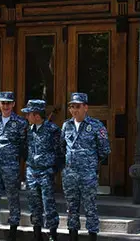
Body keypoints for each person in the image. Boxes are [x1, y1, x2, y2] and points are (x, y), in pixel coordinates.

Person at [60, 93, 111, 241]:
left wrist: (89, 164)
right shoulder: (66, 125)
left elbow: (104, 150)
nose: (74, 110)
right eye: (72, 107)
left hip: (87, 175)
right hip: (70, 175)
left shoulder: (96, 126)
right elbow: (62, 148)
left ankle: (92, 237)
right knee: (71, 209)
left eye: (77, 106)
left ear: (85, 107)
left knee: (90, 208)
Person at [0, 91, 27, 241]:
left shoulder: (20, 122)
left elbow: (23, 145)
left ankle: (12, 233)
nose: (5, 106)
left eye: (8, 103)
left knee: (13, 199)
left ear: (13, 104)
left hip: (11, 167)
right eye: (3, 103)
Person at [21, 99, 61, 241]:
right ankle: (37, 234)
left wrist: (52, 169)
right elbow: (26, 149)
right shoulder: (29, 130)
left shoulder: (53, 130)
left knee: (48, 204)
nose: (26, 117)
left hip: (46, 172)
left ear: (37, 115)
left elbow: (60, 152)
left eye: (29, 114)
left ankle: (52, 235)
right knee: (34, 204)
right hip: (32, 172)